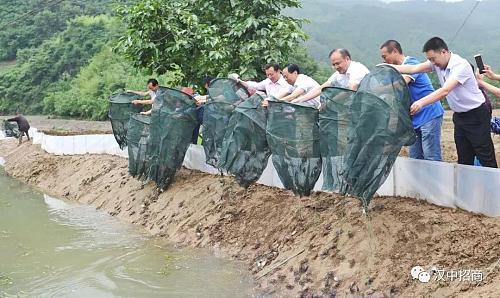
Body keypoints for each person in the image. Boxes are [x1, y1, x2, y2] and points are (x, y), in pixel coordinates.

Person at [388, 37, 496, 168]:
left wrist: (421, 102)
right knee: (464, 157)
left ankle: (493, 186)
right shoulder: (437, 63)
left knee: (484, 154)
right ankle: (467, 187)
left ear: (444, 52)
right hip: (460, 116)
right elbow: (413, 69)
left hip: (476, 114)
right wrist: (389, 67)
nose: (432, 62)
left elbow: (445, 90)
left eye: (433, 59)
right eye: (429, 60)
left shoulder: (460, 65)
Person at [380, 40, 444, 161]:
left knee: (431, 156)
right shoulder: (394, 72)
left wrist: (378, 89)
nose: (384, 60)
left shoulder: (411, 63)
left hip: (429, 113)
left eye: (385, 56)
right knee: (415, 157)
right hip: (415, 118)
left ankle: (435, 179)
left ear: (394, 51)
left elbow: (401, 84)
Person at [293, 48, 369, 104]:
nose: (336, 67)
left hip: (368, 105)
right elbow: (321, 88)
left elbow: (350, 90)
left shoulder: (357, 68)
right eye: (333, 65)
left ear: (347, 59)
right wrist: (300, 99)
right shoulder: (338, 74)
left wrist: (330, 103)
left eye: (338, 63)